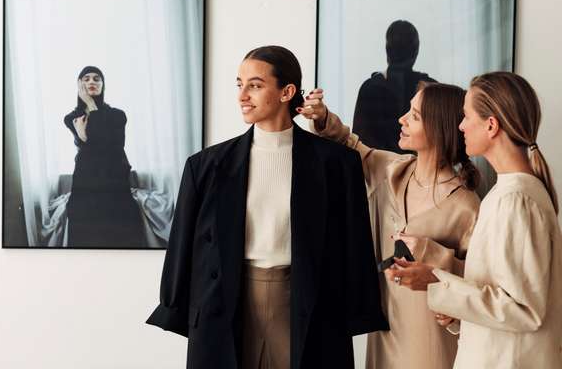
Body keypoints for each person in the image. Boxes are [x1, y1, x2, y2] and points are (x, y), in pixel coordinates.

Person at [146, 46, 388, 369]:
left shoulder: (336, 164)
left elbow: (355, 246)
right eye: (239, 84)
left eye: (255, 85)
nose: (242, 96)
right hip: (226, 305)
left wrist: (358, 311)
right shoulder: (206, 166)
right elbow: (182, 249)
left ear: (287, 92)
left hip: (309, 305)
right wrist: (175, 305)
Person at [299, 81, 480, 369]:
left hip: (431, 340)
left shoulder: (466, 206)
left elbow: (479, 283)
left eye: (414, 115)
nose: (402, 119)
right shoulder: (392, 171)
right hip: (385, 331)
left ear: (438, 127)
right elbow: (350, 146)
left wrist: (433, 255)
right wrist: (322, 119)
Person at [390, 72, 562, 368]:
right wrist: (455, 311)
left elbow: (523, 309)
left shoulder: (516, 200)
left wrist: (436, 280)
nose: (460, 126)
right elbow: (499, 296)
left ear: (491, 125)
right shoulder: (506, 194)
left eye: (466, 116)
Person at [63, 66, 144, 248]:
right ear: (79, 85)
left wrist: (91, 110)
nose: (92, 82)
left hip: (113, 176)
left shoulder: (118, 115)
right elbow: (98, 148)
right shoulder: (71, 118)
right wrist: (83, 139)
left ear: (103, 85)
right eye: (86, 78)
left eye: (97, 79)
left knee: (121, 220)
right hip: (87, 179)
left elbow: (114, 148)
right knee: (82, 217)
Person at [352, 20, 435, 153]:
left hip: (377, 170)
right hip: (417, 170)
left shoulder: (369, 88)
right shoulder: (431, 90)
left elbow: (360, 145)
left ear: (387, 50)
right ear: (416, 51)